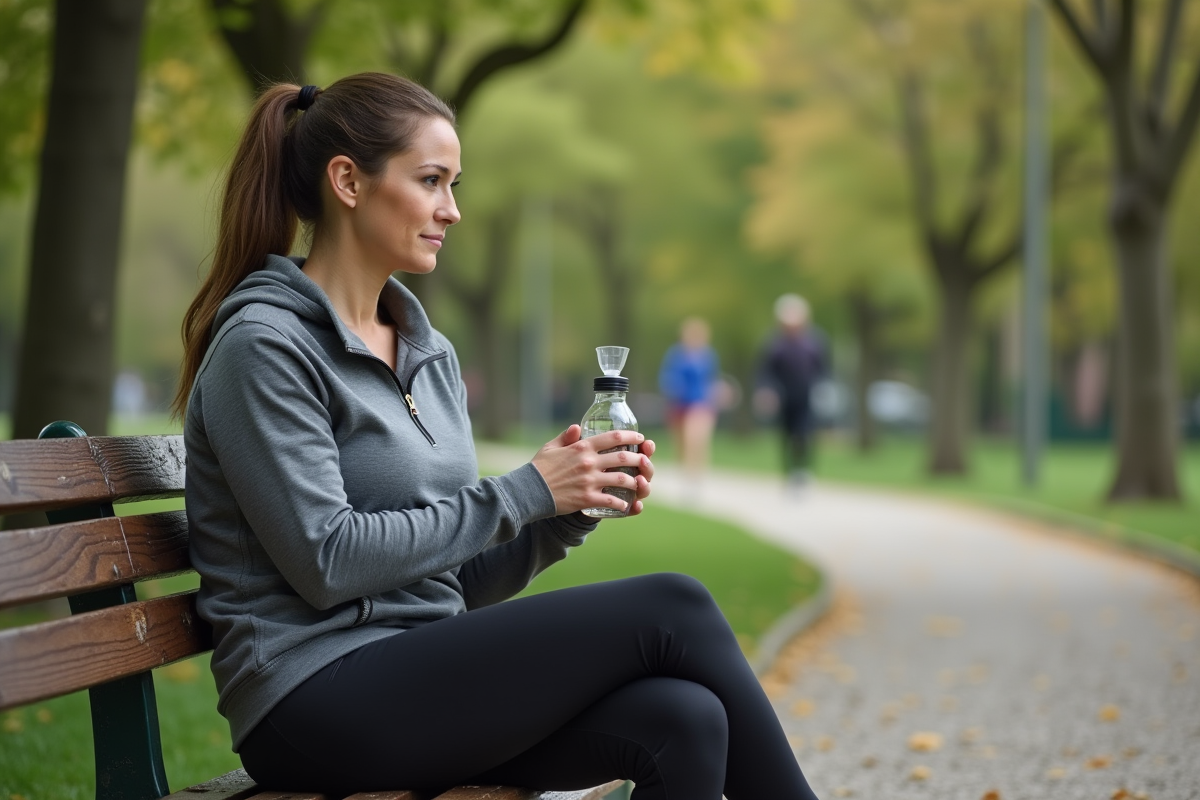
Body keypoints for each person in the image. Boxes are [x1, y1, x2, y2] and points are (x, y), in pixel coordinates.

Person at [174, 73, 821, 800]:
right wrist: (524, 492)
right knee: (674, 605)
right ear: (348, 181)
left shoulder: (426, 352)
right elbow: (328, 560)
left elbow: (450, 582)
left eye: (454, 184)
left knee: (685, 717)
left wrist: (563, 513)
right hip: (311, 699)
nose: (452, 210)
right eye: (432, 181)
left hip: (417, 676)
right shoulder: (265, 346)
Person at [756, 294, 828, 485]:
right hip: (783, 395)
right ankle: (788, 472)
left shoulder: (814, 342)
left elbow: (823, 369)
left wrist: (823, 388)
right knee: (786, 435)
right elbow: (766, 371)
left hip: (807, 395)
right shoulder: (775, 343)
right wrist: (766, 391)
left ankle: (802, 470)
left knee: (804, 434)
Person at [658, 317, 720, 479]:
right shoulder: (676, 354)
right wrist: (672, 385)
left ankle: (697, 471)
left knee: (697, 436)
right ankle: (685, 469)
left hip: (701, 402)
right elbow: (667, 376)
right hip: (680, 402)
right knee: (681, 441)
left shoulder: (708, 355)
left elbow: (712, 379)